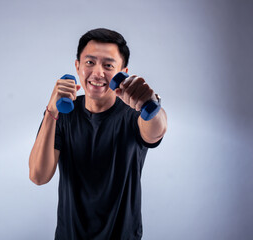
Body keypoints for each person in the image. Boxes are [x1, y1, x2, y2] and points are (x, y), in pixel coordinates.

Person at [29, 28, 167, 240]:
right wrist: (51, 111)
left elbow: (156, 131)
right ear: (77, 66)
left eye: (109, 65)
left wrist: (151, 105)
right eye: (90, 62)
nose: (98, 73)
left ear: (123, 71)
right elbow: (38, 176)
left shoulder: (134, 115)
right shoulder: (62, 114)